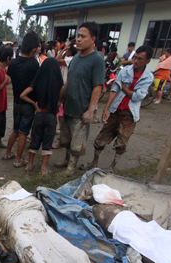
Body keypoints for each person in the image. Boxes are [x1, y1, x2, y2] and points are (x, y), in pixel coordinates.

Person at [93, 45, 154, 172]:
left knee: (122, 141)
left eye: (140, 59)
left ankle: (112, 167)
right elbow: (114, 90)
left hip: (130, 114)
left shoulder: (148, 77)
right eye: (135, 57)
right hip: (116, 110)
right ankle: (94, 163)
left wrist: (123, 87)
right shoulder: (125, 70)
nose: (136, 61)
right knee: (102, 137)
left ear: (147, 61)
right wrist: (106, 108)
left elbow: (137, 97)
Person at [56, 21, 105, 173]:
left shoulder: (97, 59)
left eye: (83, 36)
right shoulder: (76, 58)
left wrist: (91, 110)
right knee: (66, 138)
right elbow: (68, 81)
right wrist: (60, 99)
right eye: (78, 36)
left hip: (81, 108)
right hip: (69, 106)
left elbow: (98, 87)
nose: (78, 39)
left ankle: (71, 166)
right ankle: (66, 160)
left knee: (77, 141)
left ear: (93, 39)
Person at [2, 31, 40, 165]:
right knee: (23, 132)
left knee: (15, 130)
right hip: (29, 103)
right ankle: (18, 159)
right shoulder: (34, 64)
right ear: (33, 50)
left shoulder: (13, 63)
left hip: (16, 102)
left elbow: (10, 78)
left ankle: (8, 152)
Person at [20, 58, 63, 175]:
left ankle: (30, 165)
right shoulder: (60, 85)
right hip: (51, 116)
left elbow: (22, 95)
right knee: (47, 143)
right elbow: (60, 101)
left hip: (39, 114)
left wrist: (35, 104)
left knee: (34, 140)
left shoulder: (37, 82)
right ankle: (43, 168)